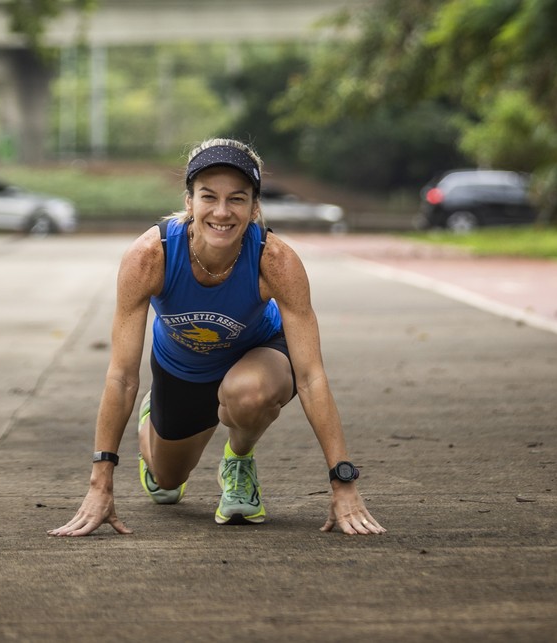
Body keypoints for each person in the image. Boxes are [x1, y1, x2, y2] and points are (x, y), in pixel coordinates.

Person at [48, 138, 385, 537]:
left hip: (258, 355)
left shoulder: (274, 260)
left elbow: (311, 377)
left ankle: (238, 460)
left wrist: (343, 482)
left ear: (255, 207)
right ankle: (152, 419)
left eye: (237, 199)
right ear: (189, 201)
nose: (222, 212)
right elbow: (121, 376)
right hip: (182, 370)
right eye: (209, 197)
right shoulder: (150, 256)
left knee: (248, 393)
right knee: (168, 483)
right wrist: (100, 483)